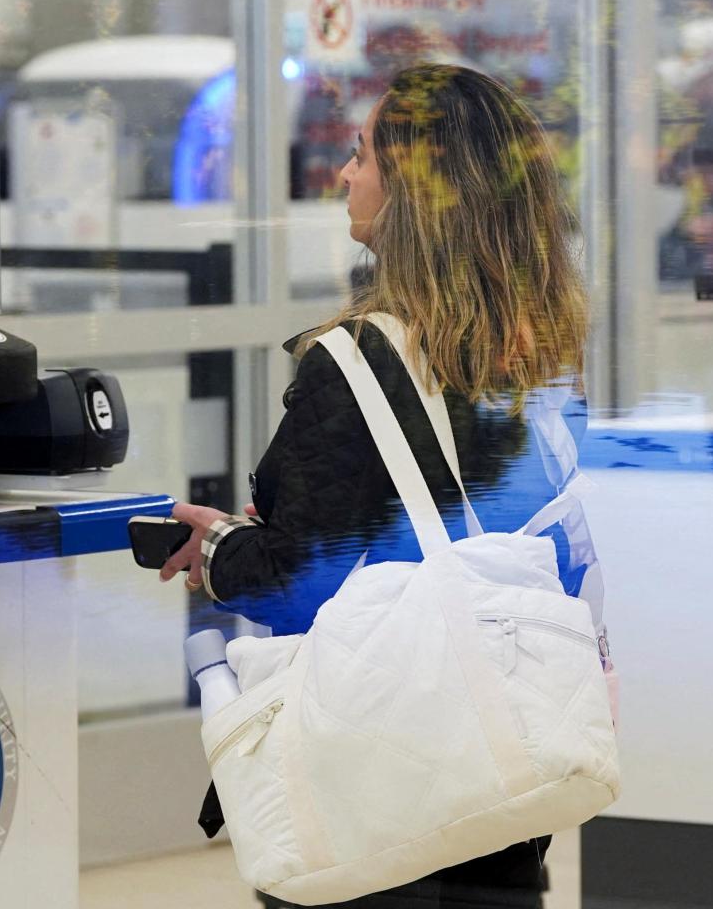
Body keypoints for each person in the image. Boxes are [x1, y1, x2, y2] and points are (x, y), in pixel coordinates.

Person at [163, 65, 591, 909]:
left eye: (362, 156)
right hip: (503, 770)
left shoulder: (360, 364)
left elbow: (300, 581)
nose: (345, 175)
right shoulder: (530, 351)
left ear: (415, 197)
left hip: (383, 784)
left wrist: (214, 547)